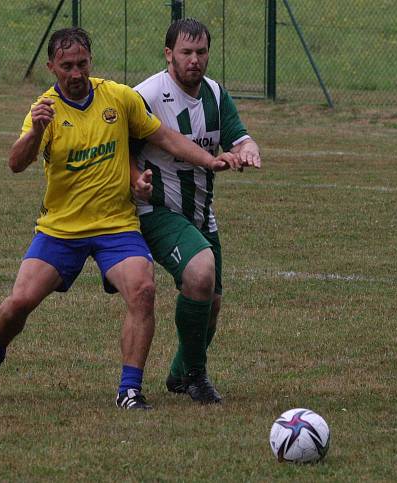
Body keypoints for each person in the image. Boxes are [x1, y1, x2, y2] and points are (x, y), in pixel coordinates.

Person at [0, 27, 238, 410]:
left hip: (116, 227)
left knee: (143, 291)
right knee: (18, 303)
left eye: (82, 64)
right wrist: (36, 131)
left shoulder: (118, 98)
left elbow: (165, 138)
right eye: (66, 66)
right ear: (51, 66)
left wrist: (210, 160)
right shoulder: (44, 110)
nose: (75, 73)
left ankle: (129, 390)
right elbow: (16, 163)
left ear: (91, 60)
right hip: (61, 230)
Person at [131, 18, 261, 404]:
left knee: (212, 303)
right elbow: (121, 152)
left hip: (202, 214)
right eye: (186, 53)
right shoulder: (146, 96)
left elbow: (239, 137)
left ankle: (177, 374)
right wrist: (137, 179)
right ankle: (196, 376)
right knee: (201, 272)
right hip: (157, 212)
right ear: (168, 53)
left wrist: (247, 149)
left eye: (201, 52)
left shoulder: (216, 95)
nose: (194, 60)